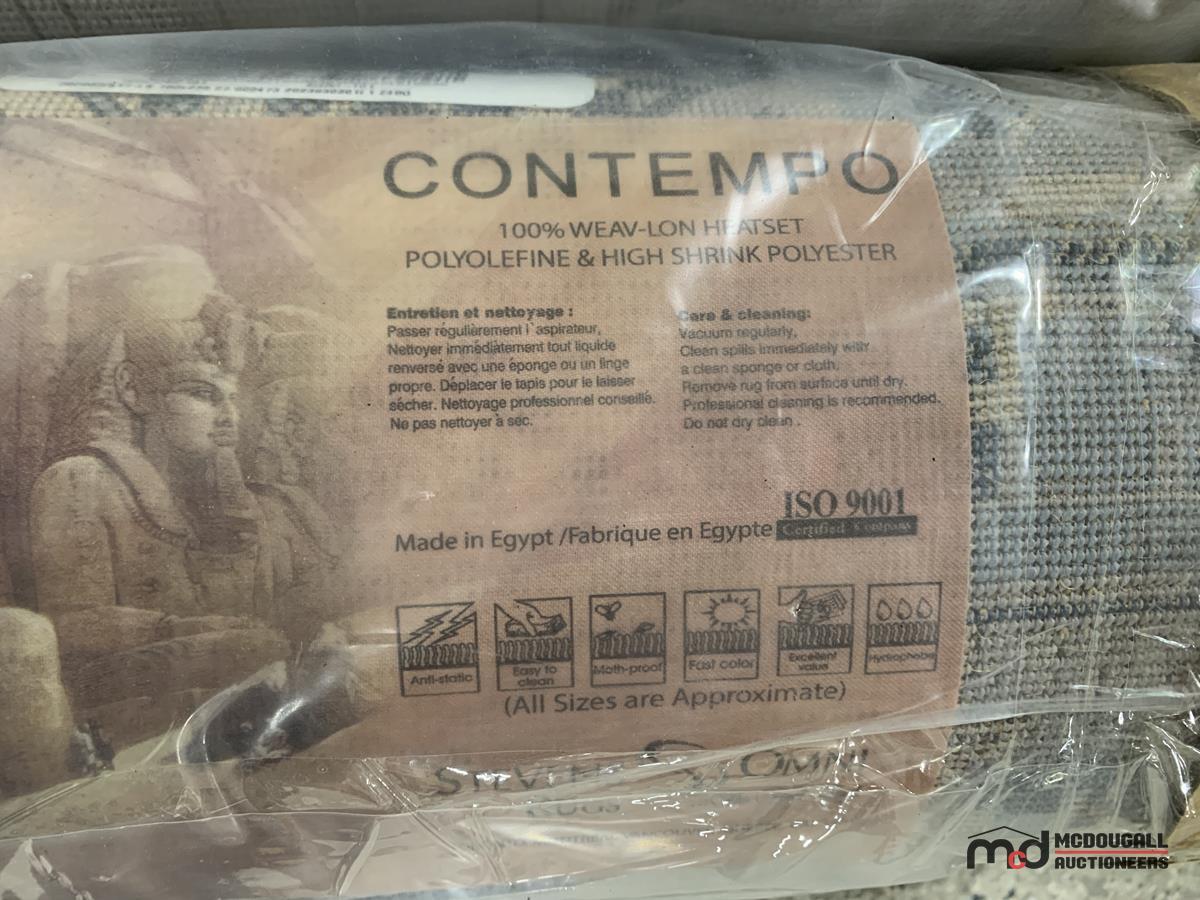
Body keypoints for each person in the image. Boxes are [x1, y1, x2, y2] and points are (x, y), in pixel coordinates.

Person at [28, 247, 289, 748]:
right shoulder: (80, 481)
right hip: (113, 705)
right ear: (132, 389)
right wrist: (178, 628)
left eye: (233, 398)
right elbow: (68, 624)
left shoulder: (236, 506)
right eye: (202, 394)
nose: (227, 417)